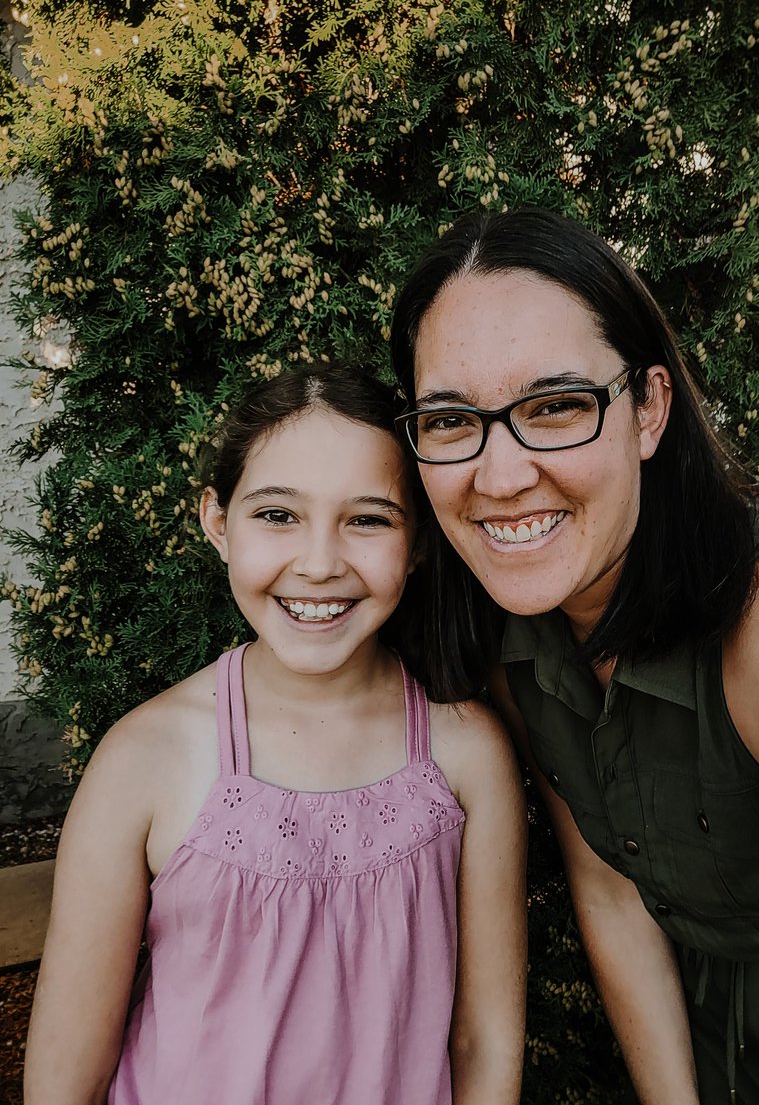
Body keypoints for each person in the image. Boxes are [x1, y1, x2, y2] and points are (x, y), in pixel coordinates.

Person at [390, 207, 759, 1105]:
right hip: (720, 1064)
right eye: (449, 420)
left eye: (555, 407)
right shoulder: (517, 621)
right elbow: (614, 888)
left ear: (649, 410)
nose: (499, 477)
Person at [24, 364, 526, 1105]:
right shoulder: (144, 759)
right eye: (278, 515)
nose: (319, 563)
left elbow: (484, 1043)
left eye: (368, 519)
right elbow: (66, 1079)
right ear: (218, 523)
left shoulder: (466, 755)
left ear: (417, 543)